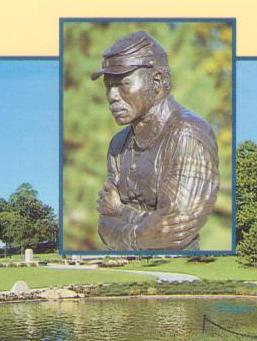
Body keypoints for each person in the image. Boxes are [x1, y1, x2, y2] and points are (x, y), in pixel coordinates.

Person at [91, 31, 220, 250]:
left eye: (123, 83)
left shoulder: (187, 135)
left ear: (157, 81)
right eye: (108, 85)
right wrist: (143, 228)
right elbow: (104, 222)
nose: (112, 96)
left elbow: (175, 232)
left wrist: (122, 212)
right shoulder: (118, 145)